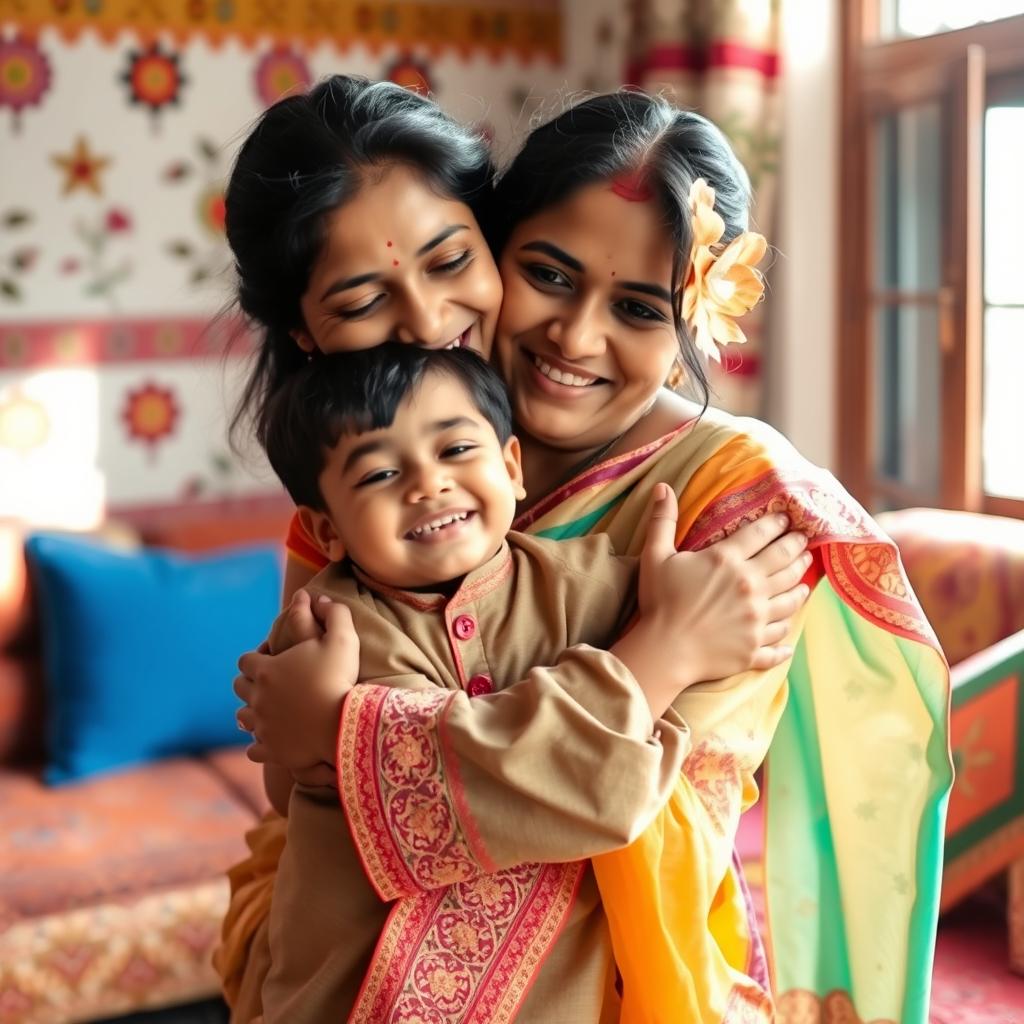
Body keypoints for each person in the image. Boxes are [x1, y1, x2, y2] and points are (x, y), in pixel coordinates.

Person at [223, 80, 950, 1024]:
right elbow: (294, 784)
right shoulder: (366, 479)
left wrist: (344, 734)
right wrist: (648, 654)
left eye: (640, 308)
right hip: (324, 960)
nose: (574, 334)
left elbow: (648, 798)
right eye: (551, 276)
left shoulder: (736, 502)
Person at [251, 340, 796, 1021]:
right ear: (326, 531)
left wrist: (701, 616)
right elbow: (477, 779)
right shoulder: (330, 634)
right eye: (379, 475)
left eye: (454, 452)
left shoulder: (587, 582)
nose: (427, 485)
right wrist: (663, 654)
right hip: (352, 996)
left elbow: (704, 614)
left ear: (511, 467)